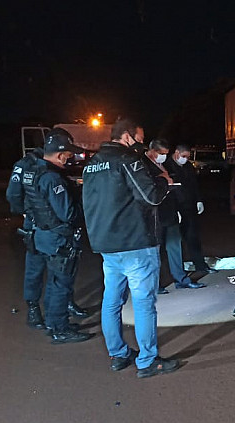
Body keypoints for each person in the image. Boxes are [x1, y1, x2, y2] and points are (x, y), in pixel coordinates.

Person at [82, 118, 181, 378]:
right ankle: (147, 361)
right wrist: (164, 181)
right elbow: (150, 196)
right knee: (144, 303)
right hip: (135, 243)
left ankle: (118, 354)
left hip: (107, 244)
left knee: (111, 301)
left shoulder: (91, 165)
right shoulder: (128, 160)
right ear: (127, 136)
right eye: (139, 138)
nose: (141, 144)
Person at [6, 127, 90, 331]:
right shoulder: (26, 165)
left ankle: (63, 306)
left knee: (61, 270)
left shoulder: (52, 168)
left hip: (47, 222)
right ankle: (35, 309)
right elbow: (13, 194)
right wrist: (27, 213)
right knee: (37, 270)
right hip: (36, 224)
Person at [25, 133, 92, 344]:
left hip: (42, 236)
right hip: (57, 239)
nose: (69, 158)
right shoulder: (53, 178)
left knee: (54, 282)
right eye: (68, 154)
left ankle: (55, 323)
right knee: (60, 284)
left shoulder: (35, 171)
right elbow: (67, 213)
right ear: (61, 155)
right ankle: (60, 328)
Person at [142, 138, 205, 292]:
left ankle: (181, 279)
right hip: (156, 214)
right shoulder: (144, 165)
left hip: (170, 212)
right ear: (152, 151)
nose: (163, 156)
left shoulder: (162, 165)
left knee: (174, 246)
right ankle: (154, 284)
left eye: (165, 153)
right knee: (155, 252)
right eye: (161, 153)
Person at [164, 144, 215, 273]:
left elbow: (194, 185)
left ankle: (200, 266)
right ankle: (177, 270)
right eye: (184, 156)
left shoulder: (187, 167)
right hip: (175, 208)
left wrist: (199, 200)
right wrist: (173, 209)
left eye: (187, 157)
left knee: (193, 237)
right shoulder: (167, 166)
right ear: (176, 153)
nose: (185, 159)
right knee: (174, 243)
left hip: (189, 207)